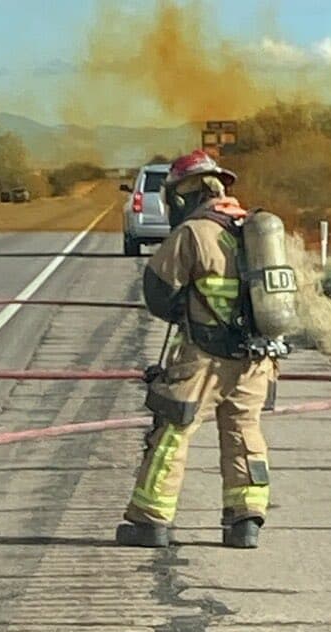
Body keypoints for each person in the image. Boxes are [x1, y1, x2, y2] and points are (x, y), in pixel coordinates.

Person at [115, 149, 281, 550]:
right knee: (244, 434)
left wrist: (189, 307)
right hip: (256, 360)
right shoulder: (253, 230)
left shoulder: (193, 233)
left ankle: (150, 522)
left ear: (183, 194)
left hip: (204, 359)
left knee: (172, 432)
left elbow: (158, 292)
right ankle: (245, 523)